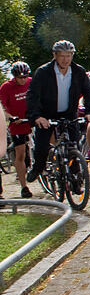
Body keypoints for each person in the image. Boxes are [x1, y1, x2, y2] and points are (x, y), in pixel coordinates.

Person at [25, 40, 90, 185]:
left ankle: (75, 176)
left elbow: (88, 92)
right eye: (62, 56)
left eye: (69, 55)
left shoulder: (79, 71)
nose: (65, 59)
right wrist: (36, 116)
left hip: (69, 113)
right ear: (55, 55)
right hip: (46, 114)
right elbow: (33, 95)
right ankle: (38, 167)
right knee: (42, 146)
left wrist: (89, 111)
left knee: (74, 145)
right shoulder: (43, 72)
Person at [0, 62, 34, 198]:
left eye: (25, 76)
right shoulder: (6, 88)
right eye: (20, 77)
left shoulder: (31, 83)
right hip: (18, 124)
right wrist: (11, 117)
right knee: (20, 154)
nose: (23, 79)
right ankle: (24, 186)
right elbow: (3, 108)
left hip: (32, 120)